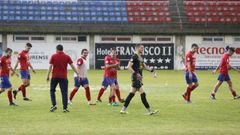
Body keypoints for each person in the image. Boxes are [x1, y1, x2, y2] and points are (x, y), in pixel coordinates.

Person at [120, 44, 158, 115]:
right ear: (137, 48)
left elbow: (145, 67)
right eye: (141, 48)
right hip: (136, 78)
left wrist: (152, 71)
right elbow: (128, 67)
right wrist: (136, 74)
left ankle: (123, 110)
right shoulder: (134, 56)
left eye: (143, 48)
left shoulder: (140, 57)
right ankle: (149, 111)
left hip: (139, 78)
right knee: (143, 93)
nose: (143, 49)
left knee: (131, 94)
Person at [46, 45, 80, 113]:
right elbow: (72, 66)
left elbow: (50, 67)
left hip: (54, 76)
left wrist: (47, 76)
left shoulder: (53, 56)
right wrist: (77, 73)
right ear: (62, 49)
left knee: (52, 90)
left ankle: (54, 105)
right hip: (63, 77)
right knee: (64, 93)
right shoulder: (67, 56)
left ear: (57, 49)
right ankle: (65, 108)